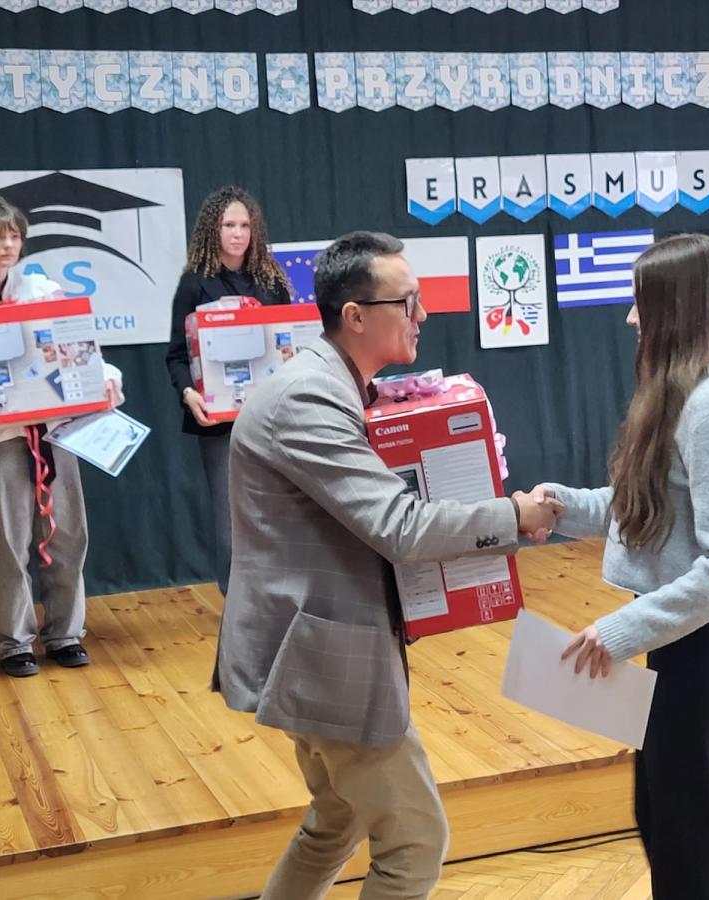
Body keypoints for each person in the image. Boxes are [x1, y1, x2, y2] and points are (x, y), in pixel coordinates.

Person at [212, 231, 561, 899]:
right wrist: (511, 515)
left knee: (336, 819)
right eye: (407, 302)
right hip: (320, 656)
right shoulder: (309, 398)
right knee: (415, 843)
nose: (422, 315)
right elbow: (399, 527)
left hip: (314, 645)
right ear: (355, 316)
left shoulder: (336, 385)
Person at [532, 233, 709, 900]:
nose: (632, 318)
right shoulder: (679, 395)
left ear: (676, 310)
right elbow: (640, 506)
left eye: (643, 304)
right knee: (672, 828)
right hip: (681, 643)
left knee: (685, 841)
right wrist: (558, 507)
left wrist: (621, 630)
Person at [0, 195, 123, 678]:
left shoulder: (44, 291)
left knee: (68, 536)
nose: (9, 244)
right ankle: (16, 642)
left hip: (55, 431)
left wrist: (106, 379)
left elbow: (83, 352)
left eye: (15, 235)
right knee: (7, 544)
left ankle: (65, 634)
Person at [164, 185, 290, 595]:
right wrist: (189, 394)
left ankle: (278, 597)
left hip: (271, 416)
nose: (237, 233)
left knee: (278, 509)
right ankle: (237, 603)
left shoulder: (272, 281)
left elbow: (289, 343)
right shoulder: (194, 284)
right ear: (211, 229)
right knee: (230, 516)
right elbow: (176, 355)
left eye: (244, 225)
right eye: (228, 225)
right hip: (219, 421)